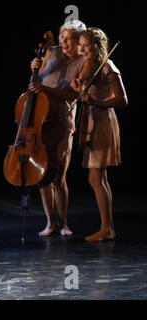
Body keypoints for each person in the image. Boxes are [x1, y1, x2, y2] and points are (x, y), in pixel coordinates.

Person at [29, 20, 87, 237]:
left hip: (62, 121)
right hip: (41, 120)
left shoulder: (82, 62)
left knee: (59, 176)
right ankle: (49, 223)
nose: (63, 42)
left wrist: (46, 89)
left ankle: (63, 223)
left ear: (78, 41)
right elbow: (34, 85)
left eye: (69, 38)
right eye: (62, 37)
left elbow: (75, 96)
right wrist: (35, 69)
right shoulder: (50, 52)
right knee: (44, 176)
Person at [71, 28, 127, 242]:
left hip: (103, 121)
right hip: (90, 121)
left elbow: (123, 99)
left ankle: (107, 228)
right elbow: (87, 95)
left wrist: (95, 102)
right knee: (98, 178)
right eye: (81, 45)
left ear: (97, 46)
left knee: (96, 177)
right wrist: (79, 89)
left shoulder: (107, 67)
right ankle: (107, 228)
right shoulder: (89, 65)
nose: (82, 49)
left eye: (86, 45)